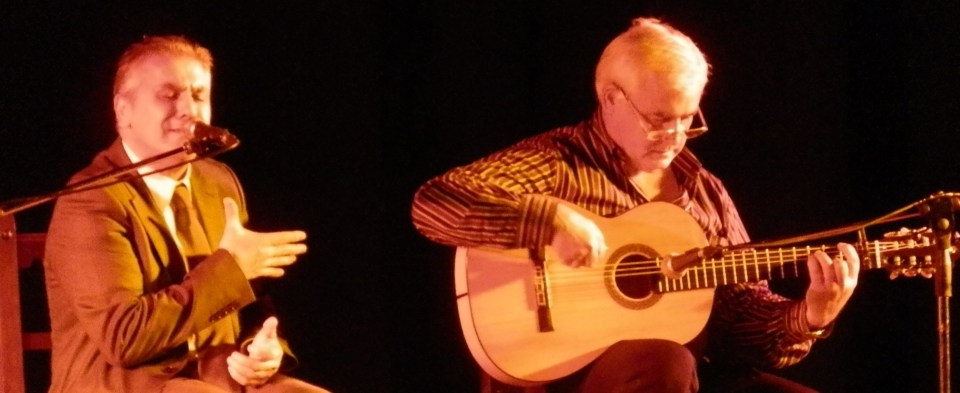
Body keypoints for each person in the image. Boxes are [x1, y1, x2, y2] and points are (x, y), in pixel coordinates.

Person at [411, 17, 859, 393]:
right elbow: (435, 204)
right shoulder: (558, 162)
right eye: (659, 119)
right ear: (611, 99)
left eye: (688, 119)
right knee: (663, 361)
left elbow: (740, 323)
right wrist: (546, 220)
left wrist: (808, 316)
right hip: (558, 374)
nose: (675, 137)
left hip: (682, 374)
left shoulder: (702, 190)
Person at [44, 35, 330, 393]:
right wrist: (231, 268)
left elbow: (246, 298)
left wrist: (260, 349)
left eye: (198, 95)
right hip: (124, 384)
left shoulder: (219, 181)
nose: (189, 111)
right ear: (123, 110)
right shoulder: (89, 201)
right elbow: (125, 338)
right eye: (168, 95)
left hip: (214, 377)